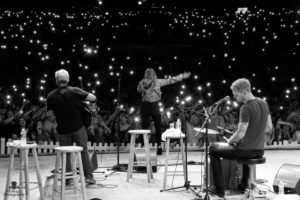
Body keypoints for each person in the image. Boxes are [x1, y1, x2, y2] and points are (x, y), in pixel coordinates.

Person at [209, 78, 273, 198]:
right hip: (259, 151)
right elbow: (269, 127)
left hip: (245, 151)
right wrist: (255, 133)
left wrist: (231, 141)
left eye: (236, 95)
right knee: (242, 147)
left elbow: (240, 133)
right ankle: (244, 185)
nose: (235, 98)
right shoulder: (264, 103)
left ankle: (219, 190)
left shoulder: (246, 107)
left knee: (213, 150)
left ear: (244, 92)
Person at [46, 69, 96, 185]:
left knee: (66, 153)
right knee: (83, 151)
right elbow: (93, 98)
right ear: (67, 80)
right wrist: (86, 103)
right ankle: (89, 177)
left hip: (63, 129)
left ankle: (68, 179)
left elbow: (51, 116)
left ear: (57, 80)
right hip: (79, 127)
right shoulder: (76, 91)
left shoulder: (51, 96)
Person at [137, 68, 191, 155]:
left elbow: (170, 80)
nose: (150, 74)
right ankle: (143, 145)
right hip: (145, 105)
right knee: (144, 126)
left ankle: (159, 146)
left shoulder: (158, 81)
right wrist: (144, 87)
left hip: (155, 105)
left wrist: (181, 76)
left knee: (158, 126)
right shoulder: (142, 82)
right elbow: (139, 90)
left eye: (151, 73)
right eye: (148, 73)